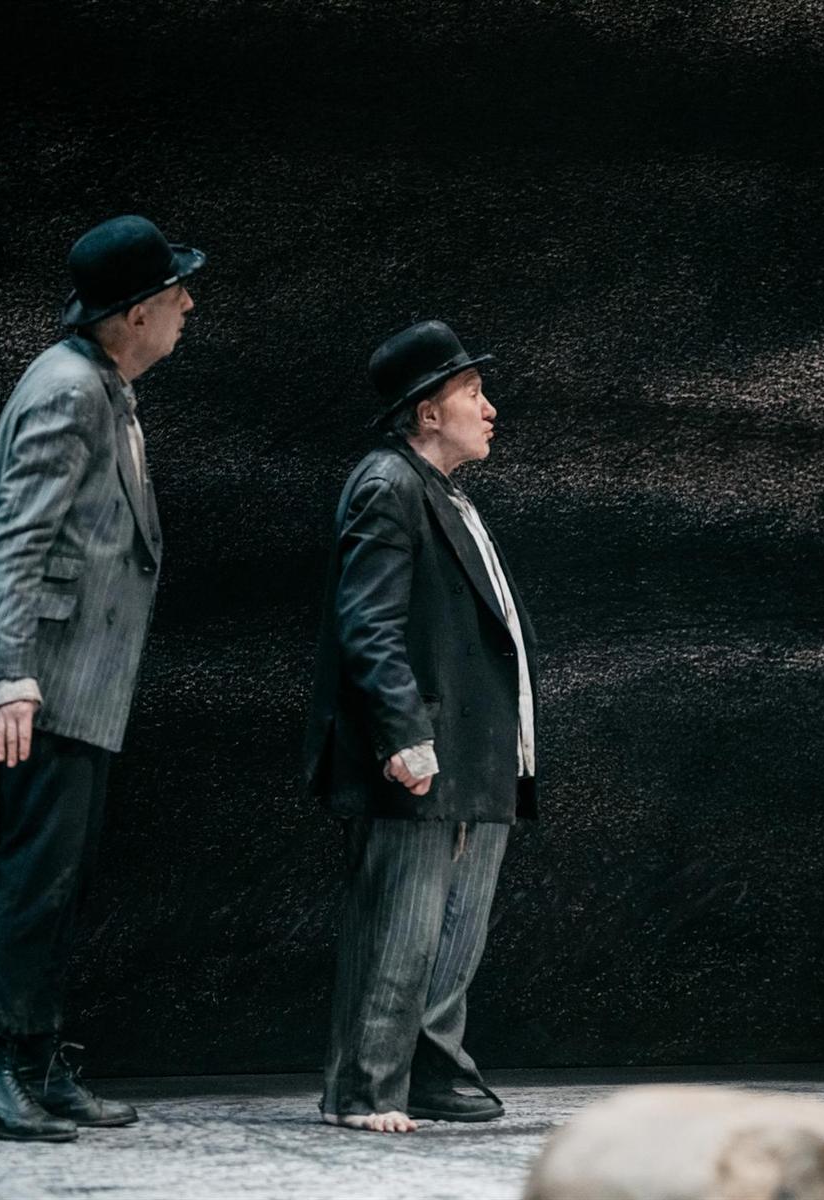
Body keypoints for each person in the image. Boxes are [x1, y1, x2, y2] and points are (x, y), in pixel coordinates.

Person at [0, 214, 203, 1141]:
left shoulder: (102, 385)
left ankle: (37, 1061)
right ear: (134, 313)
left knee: (62, 879)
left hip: (81, 681)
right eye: (175, 292)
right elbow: (17, 536)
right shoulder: (70, 389)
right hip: (48, 680)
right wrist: (10, 674)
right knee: (33, 878)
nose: (188, 305)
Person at [304, 319, 537, 1134]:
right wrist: (403, 733)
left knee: (455, 930)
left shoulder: (444, 492)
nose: (490, 407)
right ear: (428, 412)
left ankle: (431, 1072)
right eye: (473, 392)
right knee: (400, 922)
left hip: (477, 754)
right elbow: (368, 623)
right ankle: (364, 1088)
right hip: (424, 749)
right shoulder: (389, 484)